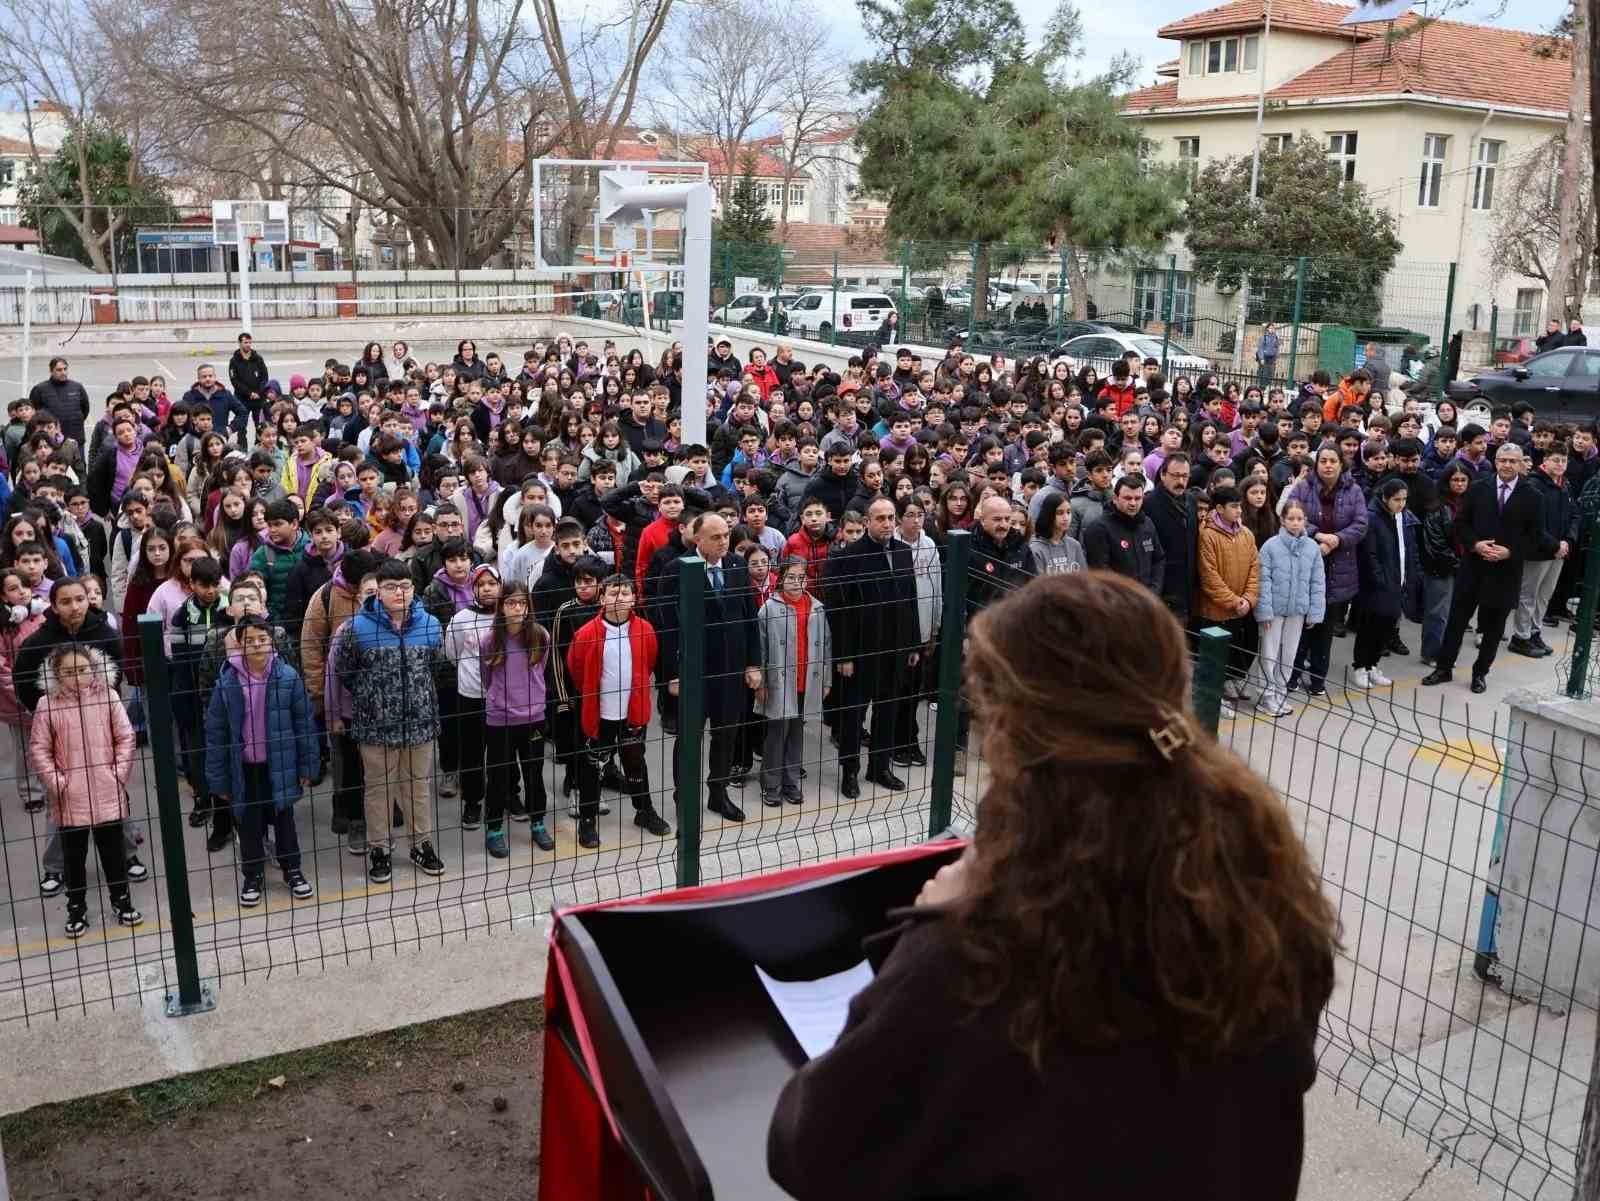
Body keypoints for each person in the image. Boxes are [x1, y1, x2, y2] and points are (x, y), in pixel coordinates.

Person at [766, 571, 1337, 1201]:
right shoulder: (1265, 892)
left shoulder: (981, 952)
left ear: (1013, 729)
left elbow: (810, 1147)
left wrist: (932, 927)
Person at [335, 559, 448, 883]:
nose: (399, 592)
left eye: (405, 586)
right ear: (378, 591)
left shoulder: (430, 624)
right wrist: (373, 698)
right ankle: (380, 849)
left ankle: (421, 843)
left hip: (420, 723)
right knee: (378, 789)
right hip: (375, 726)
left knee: (417, 786)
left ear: (414, 589)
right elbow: (345, 670)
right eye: (391, 587)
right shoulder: (357, 628)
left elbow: (437, 667)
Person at [28, 643, 142, 938]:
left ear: (93, 668)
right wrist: (57, 783)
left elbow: (125, 737)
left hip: (106, 790)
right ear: (56, 674)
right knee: (74, 858)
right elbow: (39, 748)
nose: (77, 676)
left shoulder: (108, 696)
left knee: (113, 852)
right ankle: (76, 908)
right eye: (69, 672)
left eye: (82, 669)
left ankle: (121, 901)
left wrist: (117, 774)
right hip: (70, 797)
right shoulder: (47, 704)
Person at [205, 616, 319, 907]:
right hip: (244, 768)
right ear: (239, 645)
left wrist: (307, 766)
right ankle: (253, 875)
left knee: (284, 819)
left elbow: (304, 724)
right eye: (249, 640)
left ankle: (292, 870)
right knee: (249, 824)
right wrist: (219, 780)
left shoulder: (288, 677)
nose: (257, 645)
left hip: (280, 764)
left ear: (272, 642)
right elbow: (216, 733)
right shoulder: (227, 682)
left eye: (262, 639)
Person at [656, 512, 761, 824]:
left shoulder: (737, 566)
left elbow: (750, 617)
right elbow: (666, 627)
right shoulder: (675, 570)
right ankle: (685, 797)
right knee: (689, 738)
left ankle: (719, 793)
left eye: (726, 535)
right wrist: (671, 674)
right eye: (716, 537)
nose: (723, 542)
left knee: (726, 734)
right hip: (693, 670)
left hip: (730, 668)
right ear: (697, 539)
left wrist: (753, 663)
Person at [1423, 443, 1550, 693]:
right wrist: (1475, 545)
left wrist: (1511, 552)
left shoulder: (1533, 496)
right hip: (1473, 567)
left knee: (1493, 628)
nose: (1507, 465)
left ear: (1521, 464)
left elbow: (1536, 536)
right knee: (1456, 622)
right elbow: (1461, 524)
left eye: (1512, 461)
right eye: (1503, 460)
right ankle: (1444, 668)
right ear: (1496, 461)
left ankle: (1480, 673)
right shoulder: (1478, 488)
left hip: (1505, 571)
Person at [823, 497, 921, 799]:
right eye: (880, 518)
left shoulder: (903, 552)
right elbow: (838, 611)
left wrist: (913, 644)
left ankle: (879, 767)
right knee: (853, 716)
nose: (887, 523)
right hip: (860, 652)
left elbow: (911, 600)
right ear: (867, 522)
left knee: (888, 711)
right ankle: (850, 771)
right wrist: (844, 656)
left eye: (891, 517)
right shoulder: (848, 558)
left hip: (895, 649)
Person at [565, 575, 665, 849]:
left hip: (632, 713)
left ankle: (644, 810)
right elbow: (575, 668)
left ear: (634, 599)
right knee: (592, 767)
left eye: (625, 593)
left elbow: (650, 662)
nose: (619, 598)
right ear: (602, 598)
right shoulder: (586, 634)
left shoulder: (645, 630)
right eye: (612, 593)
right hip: (599, 715)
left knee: (635, 762)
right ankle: (588, 819)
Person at [1285, 447, 1368, 697]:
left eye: (1333, 461)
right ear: (1316, 464)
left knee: (1325, 628)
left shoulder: (1354, 491)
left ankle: (1318, 680)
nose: (1328, 465)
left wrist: (1337, 539)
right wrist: (1318, 536)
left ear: (1341, 464)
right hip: (1305, 563)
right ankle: (1292, 676)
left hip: (1338, 566)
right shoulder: (1303, 487)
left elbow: (1361, 524)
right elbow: (1290, 515)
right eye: (1323, 461)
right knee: (1300, 626)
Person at [480, 583, 553, 855]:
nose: (517, 608)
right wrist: (500, 698)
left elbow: (542, 668)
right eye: (511, 602)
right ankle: (494, 828)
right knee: (498, 775)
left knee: (534, 773)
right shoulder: (490, 640)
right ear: (501, 606)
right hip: (500, 719)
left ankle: (538, 822)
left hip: (533, 717)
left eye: (522, 603)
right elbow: (486, 677)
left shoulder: (540, 635)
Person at [756, 556, 831, 807]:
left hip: (806, 681)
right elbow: (761, 649)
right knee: (777, 733)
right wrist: (762, 683)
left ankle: (790, 782)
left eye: (801, 577)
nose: (796, 582)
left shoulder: (817, 608)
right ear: (780, 579)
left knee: (797, 733)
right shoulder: (768, 609)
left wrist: (826, 680)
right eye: (790, 577)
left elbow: (826, 646)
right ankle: (771, 784)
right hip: (779, 683)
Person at [1254, 500, 1325, 719]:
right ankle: (1266, 696)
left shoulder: (1312, 548)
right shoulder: (1270, 546)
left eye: (1299, 519)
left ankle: (1280, 693)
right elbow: (1262, 580)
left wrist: (1314, 613)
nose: (1295, 523)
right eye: (1291, 518)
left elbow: (1317, 582)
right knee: (1269, 654)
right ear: (1282, 520)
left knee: (1289, 654)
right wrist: (1264, 612)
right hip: (1274, 611)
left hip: (1298, 611)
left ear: (1305, 521)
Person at [1195, 485, 1260, 713]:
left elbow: (1255, 569)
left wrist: (1248, 599)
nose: (1239, 511)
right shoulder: (1207, 535)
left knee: (1236, 651)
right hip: (1216, 610)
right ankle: (1212, 701)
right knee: (1214, 658)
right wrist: (1234, 601)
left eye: (1239, 506)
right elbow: (1209, 576)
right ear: (1220, 508)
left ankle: (1229, 684)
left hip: (1241, 608)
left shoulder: (1246, 534)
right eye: (1234, 506)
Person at [1350, 478, 1419, 690]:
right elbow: (1369, 555)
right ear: (1385, 498)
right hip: (1378, 585)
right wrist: (1380, 579)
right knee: (1369, 626)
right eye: (1397, 499)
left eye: (1404, 499)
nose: (1401, 504)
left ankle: (1372, 665)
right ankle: (1360, 667)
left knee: (1386, 627)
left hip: (1398, 581)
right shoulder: (1372, 518)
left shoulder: (1402, 517)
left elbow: (1407, 548)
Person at [1511, 442, 1575, 659]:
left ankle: (1534, 632)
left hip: (1559, 551)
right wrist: (1555, 545)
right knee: (1528, 595)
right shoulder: (1533, 484)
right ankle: (1520, 636)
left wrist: (1567, 542)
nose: (1560, 464)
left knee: (1544, 595)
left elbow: (1574, 515)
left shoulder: (1565, 485)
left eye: (1564, 461)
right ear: (1545, 461)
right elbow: (1533, 524)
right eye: (1556, 460)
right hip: (1538, 551)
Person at [1081, 476, 1164, 593]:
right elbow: (1101, 572)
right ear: (1115, 499)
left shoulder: (1147, 524)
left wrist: (1154, 590)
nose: (1133, 503)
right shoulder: (1099, 528)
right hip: (1117, 599)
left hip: (1147, 597)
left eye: (1137, 498)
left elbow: (1158, 560)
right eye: (1127, 498)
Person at [28, 357, 91, 446]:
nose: (63, 372)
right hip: (50, 441)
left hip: (76, 438)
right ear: (51, 371)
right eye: (59, 370)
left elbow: (85, 409)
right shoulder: (39, 389)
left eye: (65, 369)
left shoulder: (77, 387)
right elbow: (34, 414)